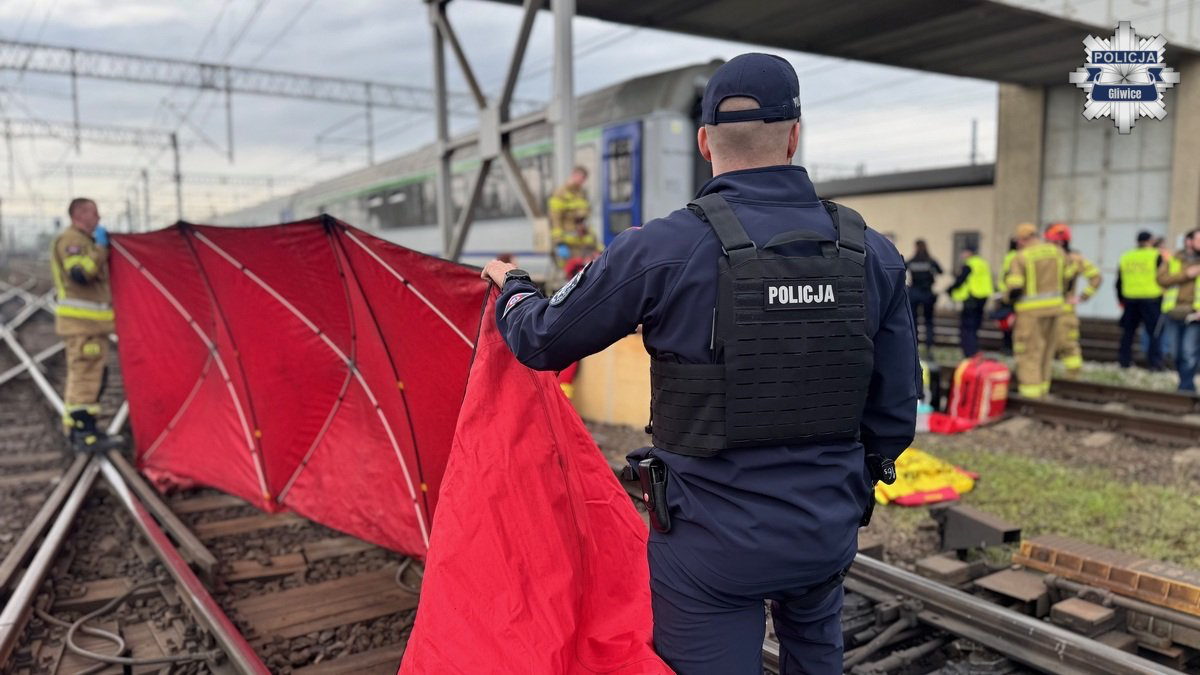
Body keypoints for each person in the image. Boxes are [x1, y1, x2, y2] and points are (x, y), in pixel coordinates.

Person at [481, 53, 918, 674]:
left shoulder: (661, 247)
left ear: (704, 142)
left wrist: (513, 286)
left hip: (708, 546)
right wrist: (844, 487)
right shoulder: (872, 254)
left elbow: (542, 340)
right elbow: (896, 409)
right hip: (825, 531)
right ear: (795, 137)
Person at [50, 198, 122, 452]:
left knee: (90, 376)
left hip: (90, 327)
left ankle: (81, 428)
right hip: (82, 326)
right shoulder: (72, 241)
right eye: (93, 213)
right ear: (79, 214)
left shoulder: (83, 241)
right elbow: (80, 273)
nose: (99, 217)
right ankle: (84, 434)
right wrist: (101, 249)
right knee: (85, 379)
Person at [1005, 222, 1065, 398]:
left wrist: (1006, 300)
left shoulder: (1021, 257)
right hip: (1055, 309)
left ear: (1023, 239)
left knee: (1028, 352)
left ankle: (1031, 395)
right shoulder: (1057, 252)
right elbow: (1068, 278)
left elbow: (1016, 287)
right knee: (1047, 350)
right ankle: (1043, 388)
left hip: (1030, 313)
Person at [1045, 223, 1101, 378]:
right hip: (1046, 310)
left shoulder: (1075, 259)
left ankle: (1072, 378)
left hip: (1064, 311)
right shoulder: (1045, 258)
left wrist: (1082, 297)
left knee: (1067, 346)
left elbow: (1096, 277)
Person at [1157, 229, 1200, 391]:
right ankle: (1185, 383)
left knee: (1189, 352)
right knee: (1175, 353)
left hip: (1195, 314)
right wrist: (1187, 274)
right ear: (1188, 242)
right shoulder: (1174, 260)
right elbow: (1161, 279)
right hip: (1173, 312)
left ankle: (1186, 387)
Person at [1116, 231, 1165, 369]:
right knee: (1154, 333)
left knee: (1128, 332)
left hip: (1130, 299)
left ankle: (1124, 361)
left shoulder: (1126, 256)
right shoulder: (1156, 255)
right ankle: (1155, 364)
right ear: (1150, 241)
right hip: (1151, 299)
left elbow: (1119, 281)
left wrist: (1120, 299)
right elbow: (1163, 277)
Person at [945, 243, 992, 358]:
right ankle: (974, 350)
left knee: (967, 327)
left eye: (963, 252)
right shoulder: (982, 263)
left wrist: (949, 290)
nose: (962, 255)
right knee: (975, 326)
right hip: (983, 297)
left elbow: (960, 280)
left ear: (969, 252)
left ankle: (969, 352)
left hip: (972, 298)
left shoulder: (969, 264)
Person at [548, 166, 590, 270]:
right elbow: (555, 220)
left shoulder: (581, 194)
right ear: (574, 175)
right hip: (566, 247)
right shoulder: (560, 193)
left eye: (583, 180)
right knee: (568, 278)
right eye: (581, 179)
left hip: (579, 246)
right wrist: (559, 243)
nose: (582, 182)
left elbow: (583, 221)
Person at [905, 239, 942, 355]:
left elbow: (902, 269)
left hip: (914, 293)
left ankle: (914, 345)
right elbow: (941, 271)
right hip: (927, 294)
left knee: (913, 321)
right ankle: (929, 346)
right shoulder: (930, 261)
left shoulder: (912, 260)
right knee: (929, 321)